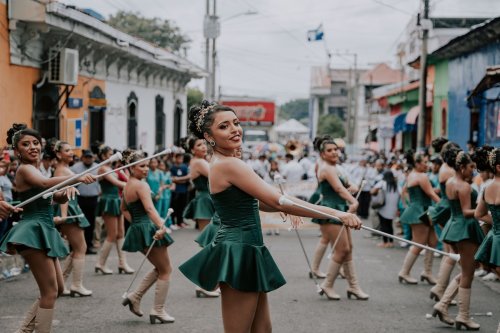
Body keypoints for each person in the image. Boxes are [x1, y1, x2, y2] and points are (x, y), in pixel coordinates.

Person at [179, 101, 361, 333]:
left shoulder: (225, 162)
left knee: (263, 330)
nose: (235, 129)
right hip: (239, 249)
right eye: (224, 126)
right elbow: (277, 200)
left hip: (247, 246)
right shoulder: (229, 164)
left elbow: (262, 203)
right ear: (208, 135)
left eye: (236, 123)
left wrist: (285, 206)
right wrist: (337, 214)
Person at [0, 123, 95, 333]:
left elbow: (50, 196)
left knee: (58, 289)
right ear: (17, 151)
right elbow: (44, 185)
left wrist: (65, 192)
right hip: (32, 229)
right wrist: (75, 177)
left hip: (44, 228)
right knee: (50, 292)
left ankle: (24, 330)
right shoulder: (25, 169)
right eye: (26, 144)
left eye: (36, 143)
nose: (33, 147)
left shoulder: (37, 169)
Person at [120, 149, 175, 324]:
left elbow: (123, 210)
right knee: (166, 270)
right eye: (141, 166)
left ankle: (135, 297)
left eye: (146, 165)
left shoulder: (127, 185)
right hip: (147, 227)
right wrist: (161, 226)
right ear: (131, 168)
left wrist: (137, 224)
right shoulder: (141, 185)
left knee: (160, 267)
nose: (146, 169)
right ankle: (158, 311)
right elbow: (150, 209)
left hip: (139, 227)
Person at [311, 135, 368, 300]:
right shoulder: (326, 168)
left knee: (348, 248)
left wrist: (352, 189)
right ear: (322, 154)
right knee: (341, 249)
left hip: (340, 209)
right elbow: (337, 188)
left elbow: (344, 186)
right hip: (330, 211)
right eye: (330, 150)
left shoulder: (333, 167)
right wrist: (353, 201)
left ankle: (354, 287)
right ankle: (327, 285)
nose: (334, 152)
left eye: (336, 149)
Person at [432, 150, 484, 330]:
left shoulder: (450, 182)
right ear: (462, 167)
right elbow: (466, 211)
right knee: (468, 273)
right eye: (471, 167)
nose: (473, 170)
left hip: (454, 227)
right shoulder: (464, 186)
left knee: (467, 269)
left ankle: (443, 303)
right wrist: (483, 210)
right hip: (465, 229)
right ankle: (463, 316)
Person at [50, 141, 93, 297]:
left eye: (71, 150)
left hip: (71, 209)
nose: (71, 153)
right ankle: (76, 285)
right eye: (67, 150)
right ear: (58, 154)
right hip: (68, 210)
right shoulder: (61, 171)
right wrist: (63, 215)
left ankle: (60, 283)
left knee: (77, 248)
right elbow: (64, 193)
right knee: (81, 248)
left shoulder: (65, 169)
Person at [398, 150, 440, 285]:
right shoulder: (421, 176)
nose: (427, 165)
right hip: (421, 211)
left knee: (433, 242)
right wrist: (443, 207)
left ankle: (427, 272)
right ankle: (404, 272)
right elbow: (432, 194)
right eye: (424, 162)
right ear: (417, 163)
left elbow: (404, 191)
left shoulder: (411, 175)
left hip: (422, 209)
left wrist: (408, 204)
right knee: (419, 243)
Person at [428, 140, 461, 302]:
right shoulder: (449, 171)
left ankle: (441, 287)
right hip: (449, 210)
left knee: (450, 252)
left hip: (445, 208)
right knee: (452, 253)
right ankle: (441, 288)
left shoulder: (444, 168)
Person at [95, 146, 134, 275]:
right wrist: (136, 185)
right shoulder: (102, 169)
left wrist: (125, 171)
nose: (112, 156)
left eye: (112, 154)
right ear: (103, 156)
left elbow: (126, 179)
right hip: (108, 201)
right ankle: (100, 263)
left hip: (116, 200)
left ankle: (123, 263)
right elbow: (118, 183)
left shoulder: (113, 169)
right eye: (109, 154)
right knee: (112, 234)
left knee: (121, 233)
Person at [71, 149, 101, 254]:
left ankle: (88, 246)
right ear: (82, 157)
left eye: (90, 157)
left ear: (93, 157)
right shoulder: (75, 168)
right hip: (80, 198)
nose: (88, 159)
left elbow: (101, 182)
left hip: (93, 199)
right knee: (78, 223)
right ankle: (75, 247)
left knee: (90, 223)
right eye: (86, 157)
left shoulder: (98, 167)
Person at [371, 170, 400, 248]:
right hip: (393, 208)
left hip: (383, 207)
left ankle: (385, 242)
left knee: (383, 225)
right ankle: (391, 242)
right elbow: (400, 195)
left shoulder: (383, 183)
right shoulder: (396, 185)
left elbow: (373, 190)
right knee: (390, 225)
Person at [170, 153, 190, 229]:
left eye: (181, 158)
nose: (180, 160)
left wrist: (178, 180)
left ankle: (180, 221)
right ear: (175, 158)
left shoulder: (185, 167)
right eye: (178, 158)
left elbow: (188, 178)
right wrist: (182, 180)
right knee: (174, 207)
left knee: (182, 207)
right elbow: (172, 179)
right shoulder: (173, 168)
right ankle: (173, 222)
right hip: (175, 191)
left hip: (183, 190)